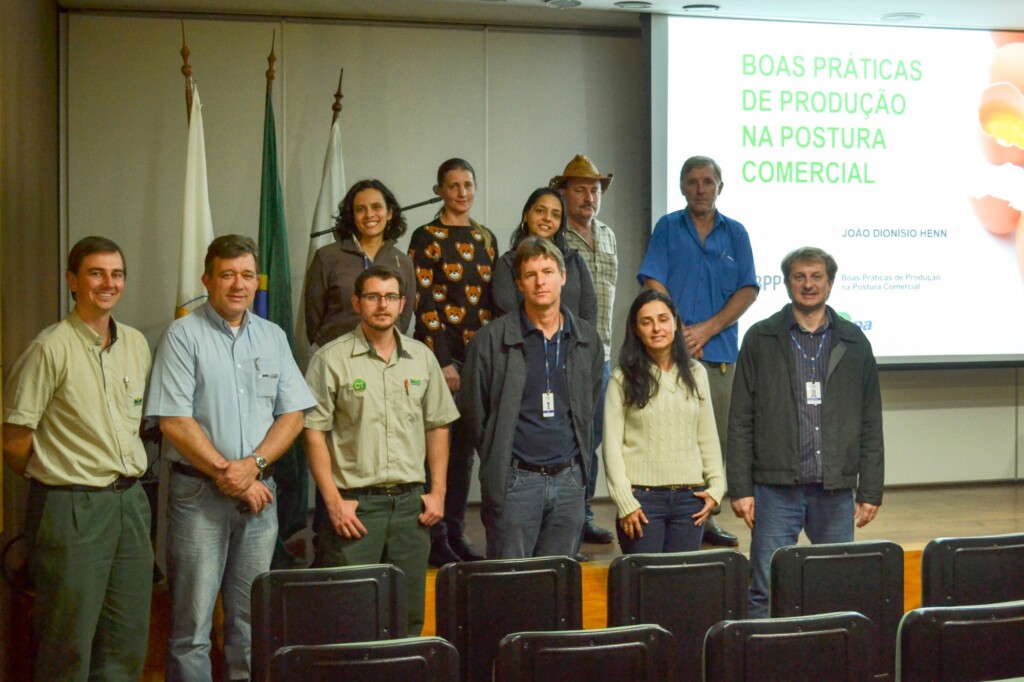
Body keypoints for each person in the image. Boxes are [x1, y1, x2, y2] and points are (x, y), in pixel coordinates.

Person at [147, 234, 315, 681]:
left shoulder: (272, 336)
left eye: (247, 275)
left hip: (260, 498)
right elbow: (173, 421)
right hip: (198, 496)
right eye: (227, 275)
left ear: (257, 281)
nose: (238, 285)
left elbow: (294, 414)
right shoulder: (182, 335)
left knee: (250, 624)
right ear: (208, 280)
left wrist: (252, 468)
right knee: (192, 630)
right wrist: (232, 474)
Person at [3, 236, 152, 681]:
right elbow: (14, 441)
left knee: (126, 640)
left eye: (117, 274)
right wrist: (57, 475)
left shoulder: (136, 345)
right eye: (96, 273)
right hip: (71, 508)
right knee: (67, 643)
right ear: (72, 281)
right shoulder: (49, 348)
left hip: (131, 505)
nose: (108, 283)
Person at [727, 246, 884, 618]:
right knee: (764, 589)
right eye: (799, 277)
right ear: (786, 283)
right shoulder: (760, 338)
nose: (808, 284)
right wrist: (740, 488)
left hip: (835, 491)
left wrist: (870, 489)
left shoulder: (854, 341)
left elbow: (870, 421)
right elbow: (740, 419)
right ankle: (764, 652)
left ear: (830, 283)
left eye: (816, 277)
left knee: (835, 587)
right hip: (775, 491)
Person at [304, 265, 459, 635]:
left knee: (408, 618)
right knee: (350, 619)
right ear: (357, 303)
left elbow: (437, 425)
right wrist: (333, 503)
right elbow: (313, 434)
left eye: (390, 297)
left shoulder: (421, 358)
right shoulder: (330, 359)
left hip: (411, 510)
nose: (382, 305)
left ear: (403, 304)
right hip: (356, 510)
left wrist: (438, 492)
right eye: (373, 296)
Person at [637, 155, 759, 547]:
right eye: (692, 181)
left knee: (713, 440)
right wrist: (676, 332)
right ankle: (667, 515)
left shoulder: (736, 233)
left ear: (720, 187)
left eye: (708, 181)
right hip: (667, 354)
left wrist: (706, 330)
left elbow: (747, 289)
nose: (700, 188)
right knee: (668, 435)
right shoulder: (667, 227)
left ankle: (706, 520)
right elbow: (653, 280)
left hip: (719, 355)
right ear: (682, 187)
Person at [460, 236, 604, 559]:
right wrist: (498, 457)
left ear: (563, 277)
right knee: (511, 582)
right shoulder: (490, 340)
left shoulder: (586, 339)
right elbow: (473, 413)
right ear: (519, 283)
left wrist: (577, 477)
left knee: (558, 581)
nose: (541, 281)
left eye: (548, 272)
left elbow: (589, 404)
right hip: (515, 482)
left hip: (569, 482)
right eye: (531, 274)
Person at [408, 158, 497, 566]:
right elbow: (423, 302)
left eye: (468, 185)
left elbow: (492, 302)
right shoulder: (426, 237)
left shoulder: (485, 237)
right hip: (438, 358)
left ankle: (456, 533)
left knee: (464, 453)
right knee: (436, 450)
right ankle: (434, 536)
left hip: (478, 359)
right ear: (439, 190)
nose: (462, 192)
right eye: (454, 185)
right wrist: (442, 361)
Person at [603, 289, 725, 553]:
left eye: (663, 319)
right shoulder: (622, 378)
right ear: (636, 330)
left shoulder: (696, 373)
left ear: (675, 324)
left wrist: (717, 487)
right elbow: (611, 447)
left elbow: (707, 437)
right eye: (646, 322)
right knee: (644, 579)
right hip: (642, 502)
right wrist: (624, 502)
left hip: (690, 501)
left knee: (681, 579)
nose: (656, 328)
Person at [552, 154, 618, 550]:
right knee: (566, 435)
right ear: (563, 194)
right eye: (579, 190)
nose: (589, 197)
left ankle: (583, 514)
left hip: (602, 355)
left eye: (594, 190)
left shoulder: (607, 234)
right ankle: (562, 517)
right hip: (564, 353)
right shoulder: (555, 238)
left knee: (591, 437)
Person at [304, 178, 416, 346]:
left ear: (389, 213)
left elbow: (403, 319)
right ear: (352, 216)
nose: (369, 214)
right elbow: (313, 317)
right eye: (360, 209)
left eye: (376, 207)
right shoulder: (327, 257)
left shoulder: (403, 262)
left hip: (387, 355)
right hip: (337, 355)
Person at [492, 187, 597, 325]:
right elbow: (507, 318)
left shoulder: (575, 261)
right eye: (540, 211)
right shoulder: (508, 263)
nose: (547, 218)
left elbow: (589, 315)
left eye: (555, 215)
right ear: (526, 215)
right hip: (522, 338)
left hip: (574, 338)